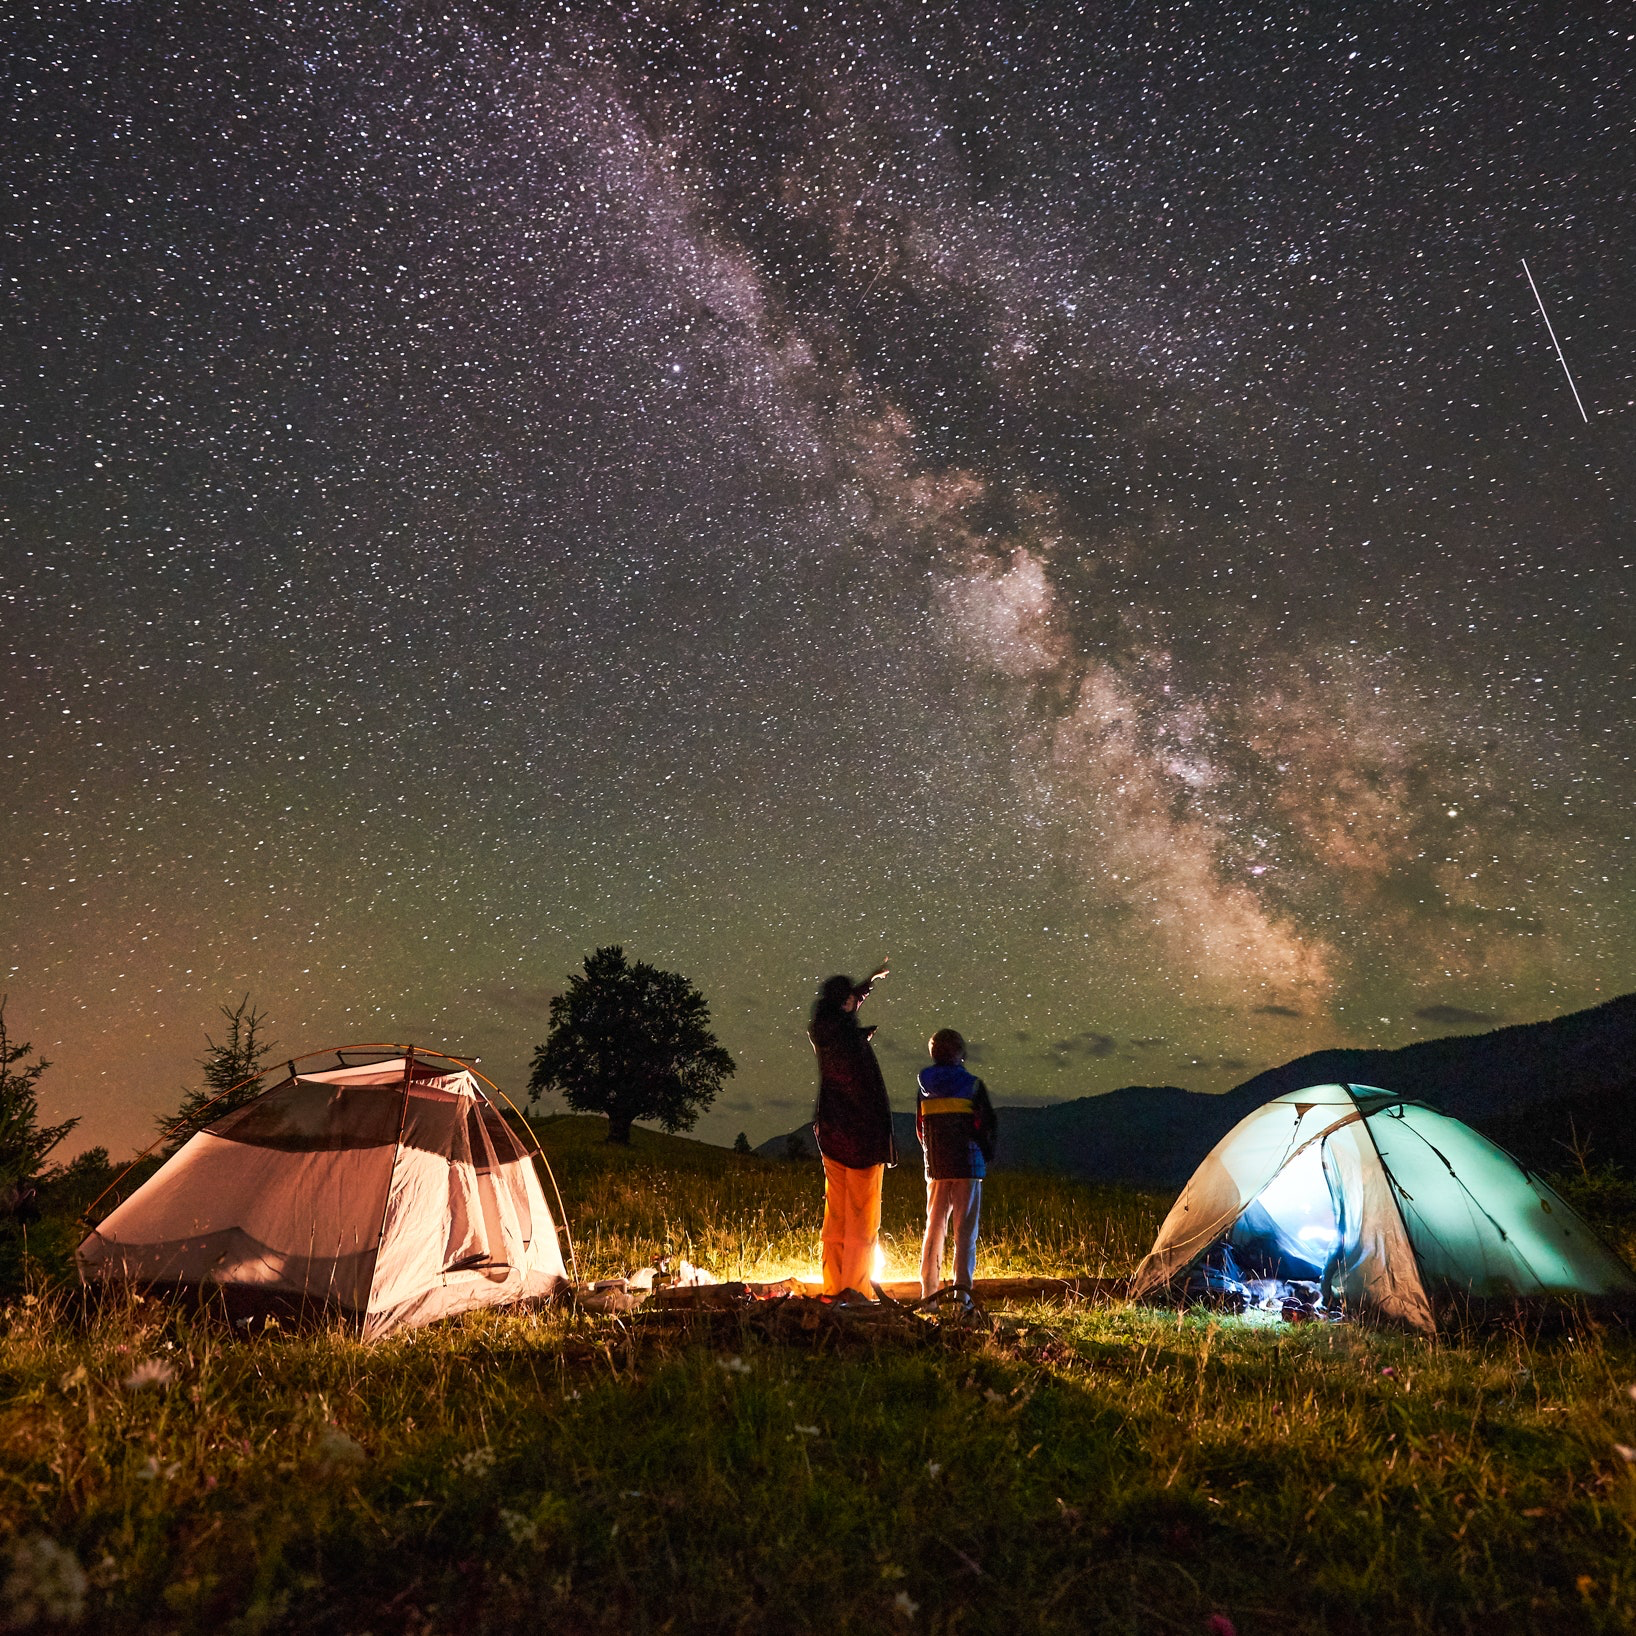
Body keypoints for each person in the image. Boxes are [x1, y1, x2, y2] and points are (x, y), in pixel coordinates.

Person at [808, 966, 893, 1298]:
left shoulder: (823, 1031)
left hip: (830, 1135)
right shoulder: (848, 1041)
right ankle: (855, 1290)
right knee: (861, 1219)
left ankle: (833, 1285)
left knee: (836, 1217)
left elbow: (847, 1004)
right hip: (860, 1140)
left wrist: (869, 984)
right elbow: (861, 1090)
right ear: (843, 1003)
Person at [916, 1028, 997, 1300]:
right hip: (968, 1166)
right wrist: (986, 1154)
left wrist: (930, 1152)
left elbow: (920, 1127)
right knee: (965, 1236)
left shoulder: (924, 1086)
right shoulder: (973, 1085)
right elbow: (985, 1125)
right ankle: (962, 1300)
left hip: (937, 1167)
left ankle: (928, 1298)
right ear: (960, 1053)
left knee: (934, 1231)